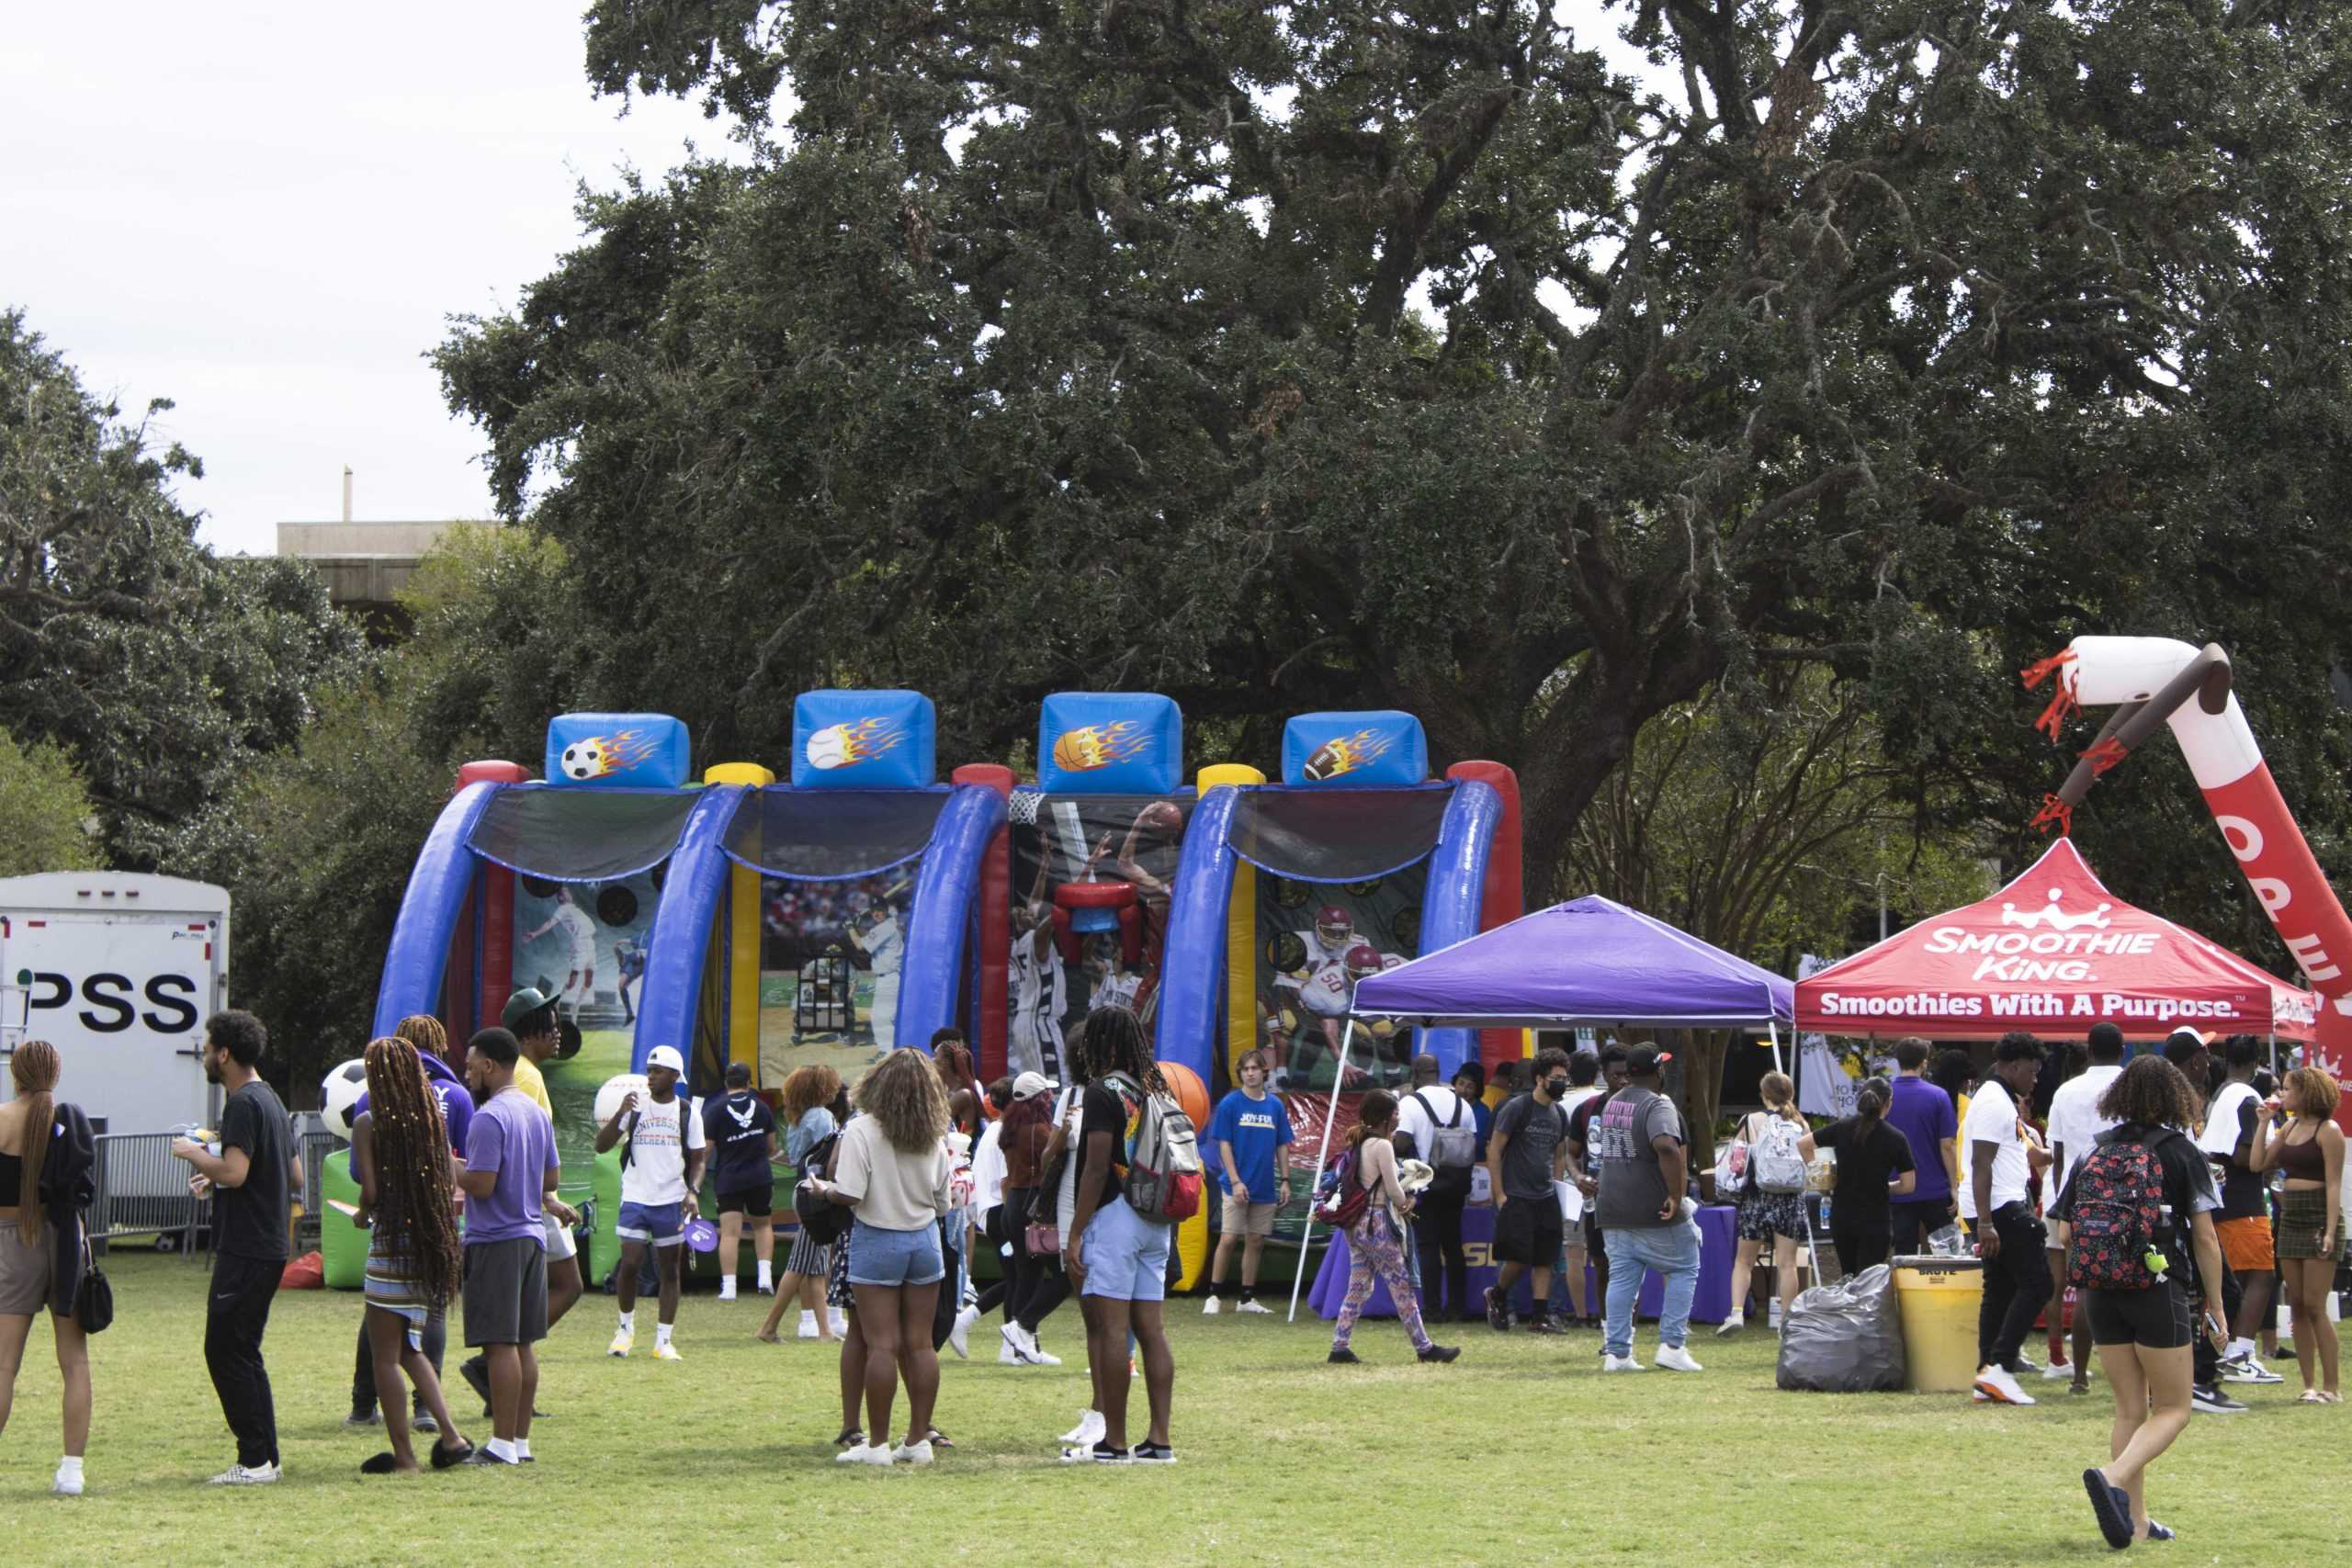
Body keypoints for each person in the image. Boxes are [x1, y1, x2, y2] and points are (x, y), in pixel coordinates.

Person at [2062, 1054, 2226, 1548]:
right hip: (2157, 1290)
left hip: (2100, 1292)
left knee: (2130, 1410)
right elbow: (2206, 1238)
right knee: (2175, 1407)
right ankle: (2112, 1477)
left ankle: (2134, 1522)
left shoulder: (2094, 1151)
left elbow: (2068, 1231)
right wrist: (2215, 1304)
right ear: (2176, 1095)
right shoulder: (2180, 1152)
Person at [808, 1048, 953, 1466]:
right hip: (925, 1241)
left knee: (882, 1346)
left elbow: (850, 1192)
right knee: (921, 1345)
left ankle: (877, 1446)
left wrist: (822, 1190)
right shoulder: (935, 1130)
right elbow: (943, 1201)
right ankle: (918, 1440)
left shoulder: (862, 1129)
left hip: (877, 1238)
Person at [172, 1010, 298, 1485]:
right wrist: (216, 1174)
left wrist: (195, 1154)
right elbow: (293, 1175)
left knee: (224, 1350)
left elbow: (239, 1171)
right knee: (243, 1351)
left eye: (206, 1047)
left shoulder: (243, 1103)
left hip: (247, 1248)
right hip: (268, 1245)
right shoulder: (271, 1100)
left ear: (224, 1053)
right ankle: (265, 1458)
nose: (204, 1055)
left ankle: (254, 1461)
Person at [348, 1034, 474, 1473]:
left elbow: (371, 1191)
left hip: (390, 1251)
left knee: (385, 1356)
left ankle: (405, 1457)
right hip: (427, 1249)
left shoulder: (368, 1123)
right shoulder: (431, 1124)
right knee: (409, 1349)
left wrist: (363, 1214)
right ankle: (452, 1437)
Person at [455, 989, 582, 1418]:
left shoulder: (492, 1111)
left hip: (500, 1233)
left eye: (471, 1067)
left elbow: (484, 1182)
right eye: (551, 1022)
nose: (467, 1075)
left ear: (489, 1067)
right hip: (530, 1229)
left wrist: (446, 1164)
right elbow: (549, 1177)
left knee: (502, 1342)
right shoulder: (529, 1098)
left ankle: (504, 1439)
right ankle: (517, 1438)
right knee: (524, 1340)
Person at [1061, 1006, 1177, 1466]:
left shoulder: (1101, 1091)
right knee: (1152, 1331)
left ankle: (1113, 1442)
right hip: (1157, 1218)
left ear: (1099, 1042)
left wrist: (1074, 1231)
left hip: (1115, 1217)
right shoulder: (1157, 1086)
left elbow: (1095, 1168)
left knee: (1112, 1329)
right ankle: (1159, 1440)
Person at [0, 1040, 95, 1496]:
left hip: (12, 1240)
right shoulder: (71, 1122)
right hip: (65, 1240)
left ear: (16, 1074)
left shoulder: (2, 1118)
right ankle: (72, 1471)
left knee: (4, 1364)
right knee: (74, 1362)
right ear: (55, 1076)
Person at [1327, 1090, 1460, 1366]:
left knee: (1358, 1287)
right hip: (1379, 1225)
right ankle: (1425, 1348)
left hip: (1358, 1226)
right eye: (1396, 1112)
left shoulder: (1360, 1143)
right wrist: (1407, 1201)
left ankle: (1339, 1346)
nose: (1399, 1116)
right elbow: (1393, 1190)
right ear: (1385, 1117)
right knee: (1402, 1287)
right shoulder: (1383, 1146)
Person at [594, 1043, 707, 1360]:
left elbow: (699, 1158)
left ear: (674, 1075)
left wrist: (693, 1191)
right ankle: (625, 1331)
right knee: (629, 1264)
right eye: (649, 1071)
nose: (650, 1077)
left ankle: (663, 1341)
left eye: (657, 1072)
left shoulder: (687, 1112)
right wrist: (620, 1113)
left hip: (671, 1199)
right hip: (635, 1197)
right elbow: (602, 1147)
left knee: (669, 1270)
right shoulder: (635, 1108)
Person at [1965, 1032, 2054, 1406]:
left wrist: (2055, 1154)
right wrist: (1986, 1223)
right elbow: (1980, 1163)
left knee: (2000, 1290)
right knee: (2039, 1284)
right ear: (2014, 1067)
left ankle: (1987, 1372)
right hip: (1999, 1207)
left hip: (1994, 1205)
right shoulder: (1994, 1103)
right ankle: (2001, 1366)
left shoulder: (2001, 1100)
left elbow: (2020, 1154)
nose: (2035, 1080)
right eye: (2032, 1072)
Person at [2160, 1027, 2244, 1413]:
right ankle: (2200, 1380)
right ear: (2195, 1060)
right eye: (2206, 1056)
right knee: (2223, 1292)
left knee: (2199, 1297)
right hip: (2186, 1222)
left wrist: (2207, 1169)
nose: (2209, 1062)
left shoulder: (2175, 1099)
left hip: (2179, 1217)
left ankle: (2192, 1377)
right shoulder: (2176, 1103)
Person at [2249, 1066, 2345, 1403]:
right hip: (2290, 1217)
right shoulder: (2288, 1126)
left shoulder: (2327, 1129)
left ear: (2307, 1092)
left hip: (2319, 1215)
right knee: (2298, 1304)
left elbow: (2334, 1183)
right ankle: (2308, 1384)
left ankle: (2331, 1387)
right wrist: (2263, 1123)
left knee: (2317, 1305)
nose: (2282, 1094)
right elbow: (2257, 1163)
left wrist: (2331, 1230)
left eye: (2289, 1089)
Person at [2043, 1021, 2126, 1393]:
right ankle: (2131, 1373)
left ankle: (2078, 1376)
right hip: (2125, 1196)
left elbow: (2058, 1155)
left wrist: (2064, 1206)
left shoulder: (2065, 1091)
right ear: (2122, 1051)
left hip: (2077, 1197)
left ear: (2089, 1051)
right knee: (2131, 1285)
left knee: (2083, 1288)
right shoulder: (2131, 1086)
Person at [2201, 1035, 2283, 1385]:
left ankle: (2222, 1351)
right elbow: (2245, 1157)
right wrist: (2275, 1149)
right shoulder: (2247, 1097)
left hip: (2219, 1197)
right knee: (2263, 1276)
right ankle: (2240, 1354)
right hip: (2242, 1199)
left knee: (2233, 1281)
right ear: (2255, 1063)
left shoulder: (2220, 1094)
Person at [1482, 1046, 1575, 1334]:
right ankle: (1497, 1293)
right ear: (1540, 1078)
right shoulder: (1517, 1108)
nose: (1562, 1082)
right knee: (1519, 1257)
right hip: (1517, 1194)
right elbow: (1494, 1150)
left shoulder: (1559, 1113)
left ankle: (1540, 1316)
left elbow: (1559, 1155)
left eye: (1565, 1077)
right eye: (1557, 1076)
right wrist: (1499, 1194)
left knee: (1546, 1257)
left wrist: (1558, 1190)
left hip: (1546, 1196)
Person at [1722, 1070, 1816, 1336]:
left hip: (1756, 1198)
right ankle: (1787, 1322)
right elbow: (1810, 1163)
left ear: (1764, 1094)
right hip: (1789, 1200)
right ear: (1791, 1094)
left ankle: (1737, 1313)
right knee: (1787, 1264)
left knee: (1744, 1261)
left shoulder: (1750, 1121)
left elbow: (1736, 1162)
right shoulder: (1801, 1124)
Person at [1204, 1049, 1293, 1314]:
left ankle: (1246, 1299)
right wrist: (1235, 1180)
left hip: (1264, 1186)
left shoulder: (1275, 1105)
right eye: (1246, 1069)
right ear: (1240, 1073)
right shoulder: (1231, 1104)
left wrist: (1285, 1180)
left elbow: (1283, 1145)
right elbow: (1224, 1145)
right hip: (1235, 1184)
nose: (1251, 1073)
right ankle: (1214, 1296)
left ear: (1265, 1072)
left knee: (1256, 1240)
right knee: (1229, 1238)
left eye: (1255, 1068)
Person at [761, 1065, 844, 1344]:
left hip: (804, 1189)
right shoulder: (822, 1117)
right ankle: (768, 1327)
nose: (836, 1088)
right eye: (832, 1084)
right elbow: (832, 1156)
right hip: (815, 1193)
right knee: (799, 1265)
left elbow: (798, 1158)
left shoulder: (800, 1117)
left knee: (816, 1267)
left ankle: (824, 1331)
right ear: (821, 1089)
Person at [1395, 1053, 1476, 1323]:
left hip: (1424, 1185)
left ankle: (1431, 1309)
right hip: (1456, 1184)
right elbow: (1471, 1142)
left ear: (1415, 1075)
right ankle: (1457, 1307)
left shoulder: (1410, 1102)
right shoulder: (1462, 1103)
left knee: (1428, 1247)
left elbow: (1402, 1143)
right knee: (1453, 1246)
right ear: (1438, 1072)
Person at [996, 1071, 1069, 1367]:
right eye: (1047, 1093)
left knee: (1028, 1276)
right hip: (1033, 1209)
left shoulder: (1010, 1128)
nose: (1051, 1097)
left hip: (1014, 1205)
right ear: (1039, 1098)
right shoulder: (1039, 1132)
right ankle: (1022, 1328)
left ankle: (1017, 1349)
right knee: (1065, 1276)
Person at [1814, 1077, 1916, 1276]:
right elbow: (1908, 1185)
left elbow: (1804, 1144)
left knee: (1848, 1275)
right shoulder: (1896, 1137)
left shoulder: (1842, 1127)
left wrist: (1822, 1180)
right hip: (1875, 1218)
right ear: (1889, 1103)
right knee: (1868, 1280)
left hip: (1842, 1215)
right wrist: (1886, 1185)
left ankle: (1847, 1307)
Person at [704, 1061, 780, 1303]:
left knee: (730, 1233)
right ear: (749, 1083)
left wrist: (694, 1174)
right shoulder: (762, 1108)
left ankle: (729, 1288)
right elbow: (770, 1147)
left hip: (729, 1178)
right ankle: (765, 1279)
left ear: (726, 1083)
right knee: (763, 1226)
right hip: (760, 1176)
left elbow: (705, 1150)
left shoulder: (714, 1110)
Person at [1567, 1044, 1631, 1330]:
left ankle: (1626, 1326)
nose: (1624, 1080)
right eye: (1617, 1075)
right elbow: (1569, 1153)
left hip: (1633, 1199)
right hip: (1596, 1200)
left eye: (1628, 1074)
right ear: (1604, 1074)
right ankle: (1608, 1327)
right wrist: (1578, 1177)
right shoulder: (1588, 1109)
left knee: (1629, 1266)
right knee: (1601, 1263)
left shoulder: (1641, 1106)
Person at [1886, 1037, 1962, 1254]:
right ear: (1924, 1063)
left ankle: (1907, 1289)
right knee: (1946, 1251)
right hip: (1935, 1188)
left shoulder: (1886, 1096)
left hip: (1897, 1186)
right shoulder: (1938, 1096)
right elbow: (1947, 1145)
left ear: (1898, 1062)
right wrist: (1954, 1186)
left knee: (1904, 1253)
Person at [521, 885, 598, 1027]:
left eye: (568, 890)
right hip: (580, 944)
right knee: (573, 981)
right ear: (561, 897)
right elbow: (550, 923)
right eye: (565, 891)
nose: (569, 893)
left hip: (590, 944)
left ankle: (575, 1007)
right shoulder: (563, 909)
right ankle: (557, 1002)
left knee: (589, 980)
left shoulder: (575, 909)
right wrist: (535, 934)